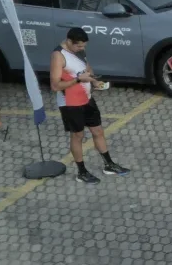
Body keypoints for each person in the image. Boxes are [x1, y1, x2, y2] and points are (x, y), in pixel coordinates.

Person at [48, 29, 127, 183]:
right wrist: (78, 79)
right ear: (69, 42)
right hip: (70, 103)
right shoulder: (58, 56)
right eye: (79, 46)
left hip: (86, 98)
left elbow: (87, 69)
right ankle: (82, 172)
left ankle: (109, 164)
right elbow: (55, 86)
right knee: (77, 136)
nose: (82, 49)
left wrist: (94, 81)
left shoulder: (79, 51)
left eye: (84, 46)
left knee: (98, 131)